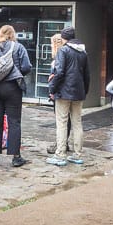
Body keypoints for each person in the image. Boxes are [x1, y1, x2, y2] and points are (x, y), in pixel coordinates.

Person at [0, 24, 32, 168]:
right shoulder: (18, 47)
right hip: (12, 87)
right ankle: (16, 156)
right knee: (14, 121)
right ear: (12, 34)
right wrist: (16, 72)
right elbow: (27, 67)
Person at [46, 27, 90, 166]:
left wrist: (52, 89)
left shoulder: (63, 51)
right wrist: (85, 91)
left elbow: (59, 73)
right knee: (77, 123)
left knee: (62, 123)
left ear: (64, 38)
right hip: (78, 92)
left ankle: (60, 154)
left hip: (63, 92)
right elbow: (87, 75)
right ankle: (77, 154)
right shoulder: (83, 52)